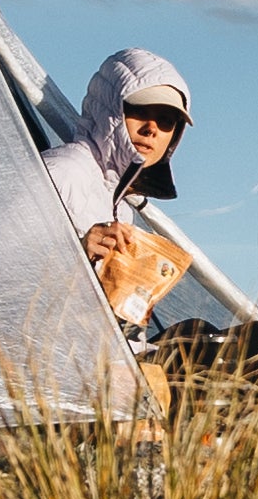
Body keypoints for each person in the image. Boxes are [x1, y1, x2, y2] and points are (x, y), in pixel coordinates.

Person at [41, 45, 200, 331]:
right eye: (139, 111)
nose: (152, 128)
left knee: (217, 337)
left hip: (100, 358)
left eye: (166, 121)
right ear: (110, 110)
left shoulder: (122, 210)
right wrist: (75, 254)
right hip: (40, 357)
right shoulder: (61, 171)